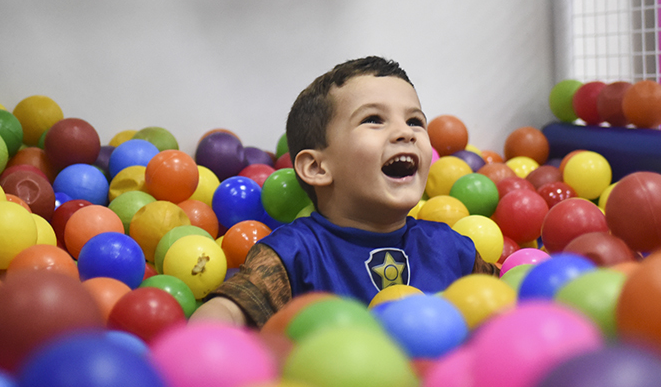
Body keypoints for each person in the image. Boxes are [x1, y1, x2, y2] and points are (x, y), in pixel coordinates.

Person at [192, 56, 497, 328]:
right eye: (373, 120)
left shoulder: (451, 248)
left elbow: (508, 301)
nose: (406, 132)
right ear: (317, 167)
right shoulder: (294, 254)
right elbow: (227, 311)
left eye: (415, 121)